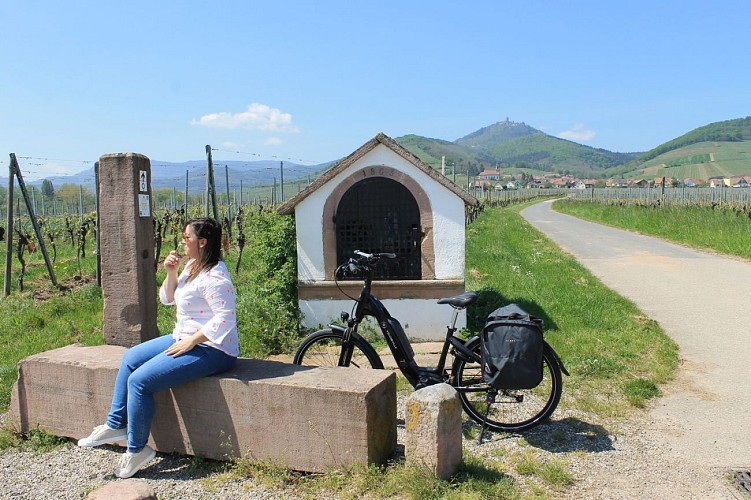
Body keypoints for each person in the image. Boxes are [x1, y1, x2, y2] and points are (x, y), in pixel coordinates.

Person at [78, 217, 239, 479]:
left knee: (140, 381)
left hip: (214, 349)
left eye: (187, 237)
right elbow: (167, 299)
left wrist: (192, 341)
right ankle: (116, 424)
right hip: (183, 336)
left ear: (202, 242)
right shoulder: (192, 266)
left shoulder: (216, 277)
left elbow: (225, 318)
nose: (182, 241)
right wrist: (171, 272)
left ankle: (137, 449)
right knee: (131, 358)